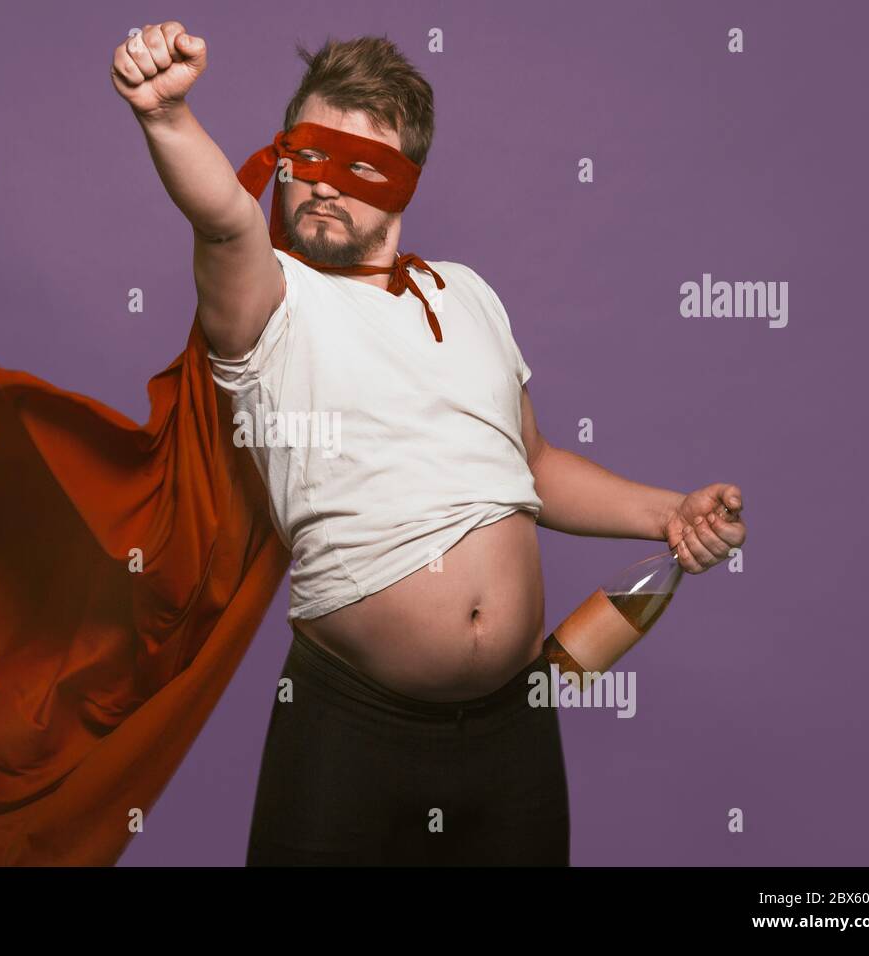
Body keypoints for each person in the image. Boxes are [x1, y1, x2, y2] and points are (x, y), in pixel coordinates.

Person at [113, 25, 747, 865]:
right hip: (349, 726)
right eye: (307, 158)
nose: (323, 188)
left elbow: (537, 466)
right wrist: (166, 116)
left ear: (406, 183)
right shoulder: (270, 299)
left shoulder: (469, 294)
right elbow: (225, 219)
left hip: (514, 727)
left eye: (361, 167)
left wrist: (670, 512)